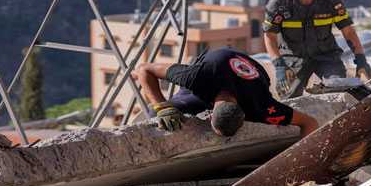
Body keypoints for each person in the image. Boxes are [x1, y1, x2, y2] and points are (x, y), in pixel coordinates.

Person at [134, 47, 318, 138]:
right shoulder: (197, 76)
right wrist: (162, 106)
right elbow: (143, 69)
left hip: (247, 76)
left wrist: (298, 159)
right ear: (210, 116)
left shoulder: (262, 105)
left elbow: (309, 123)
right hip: (214, 69)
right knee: (157, 115)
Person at [263, 0, 371, 98]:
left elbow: (348, 31)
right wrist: (278, 64)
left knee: (339, 88)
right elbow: (270, 35)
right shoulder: (280, 4)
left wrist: (361, 59)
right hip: (294, 57)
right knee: (290, 95)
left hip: (326, 55)